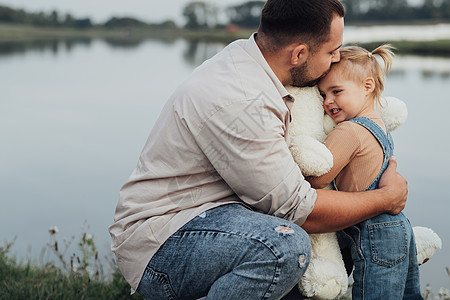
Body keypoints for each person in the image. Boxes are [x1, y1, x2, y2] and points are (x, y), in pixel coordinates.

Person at [109, 0, 408, 299]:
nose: (337, 58)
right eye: (331, 51)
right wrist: (385, 197)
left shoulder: (258, 63)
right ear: (299, 54)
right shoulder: (241, 100)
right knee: (284, 248)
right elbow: (301, 211)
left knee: (348, 230)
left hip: (224, 217)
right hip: (166, 239)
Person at [309, 44, 422, 299]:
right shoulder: (379, 124)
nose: (328, 102)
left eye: (336, 91)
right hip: (399, 226)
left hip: (374, 231)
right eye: (322, 95)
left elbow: (318, 177)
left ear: (367, 86)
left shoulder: (349, 131)